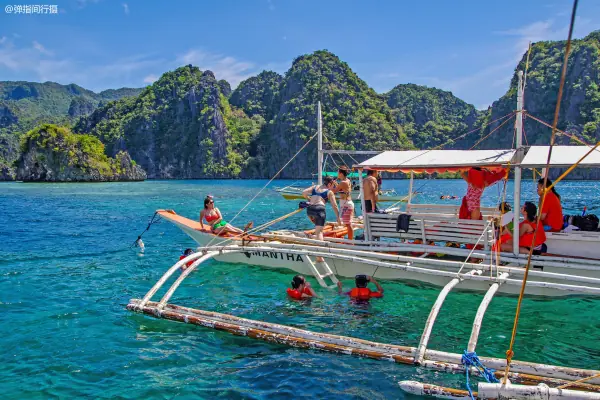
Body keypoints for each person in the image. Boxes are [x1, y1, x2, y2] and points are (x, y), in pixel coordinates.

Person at [302, 176, 341, 242]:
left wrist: (309, 199)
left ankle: (315, 235)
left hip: (310, 210)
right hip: (319, 210)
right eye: (333, 185)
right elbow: (335, 206)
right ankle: (320, 248)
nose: (334, 187)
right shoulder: (329, 192)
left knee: (318, 226)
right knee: (319, 232)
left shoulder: (315, 187)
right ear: (329, 184)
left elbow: (304, 192)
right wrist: (338, 218)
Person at [333, 166, 354, 240]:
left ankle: (350, 241)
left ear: (341, 173)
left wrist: (328, 187)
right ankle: (349, 239)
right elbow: (342, 190)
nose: (337, 173)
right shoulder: (347, 181)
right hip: (346, 203)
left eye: (338, 172)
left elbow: (334, 191)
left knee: (348, 224)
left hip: (346, 204)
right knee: (346, 223)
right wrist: (336, 185)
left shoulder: (343, 182)